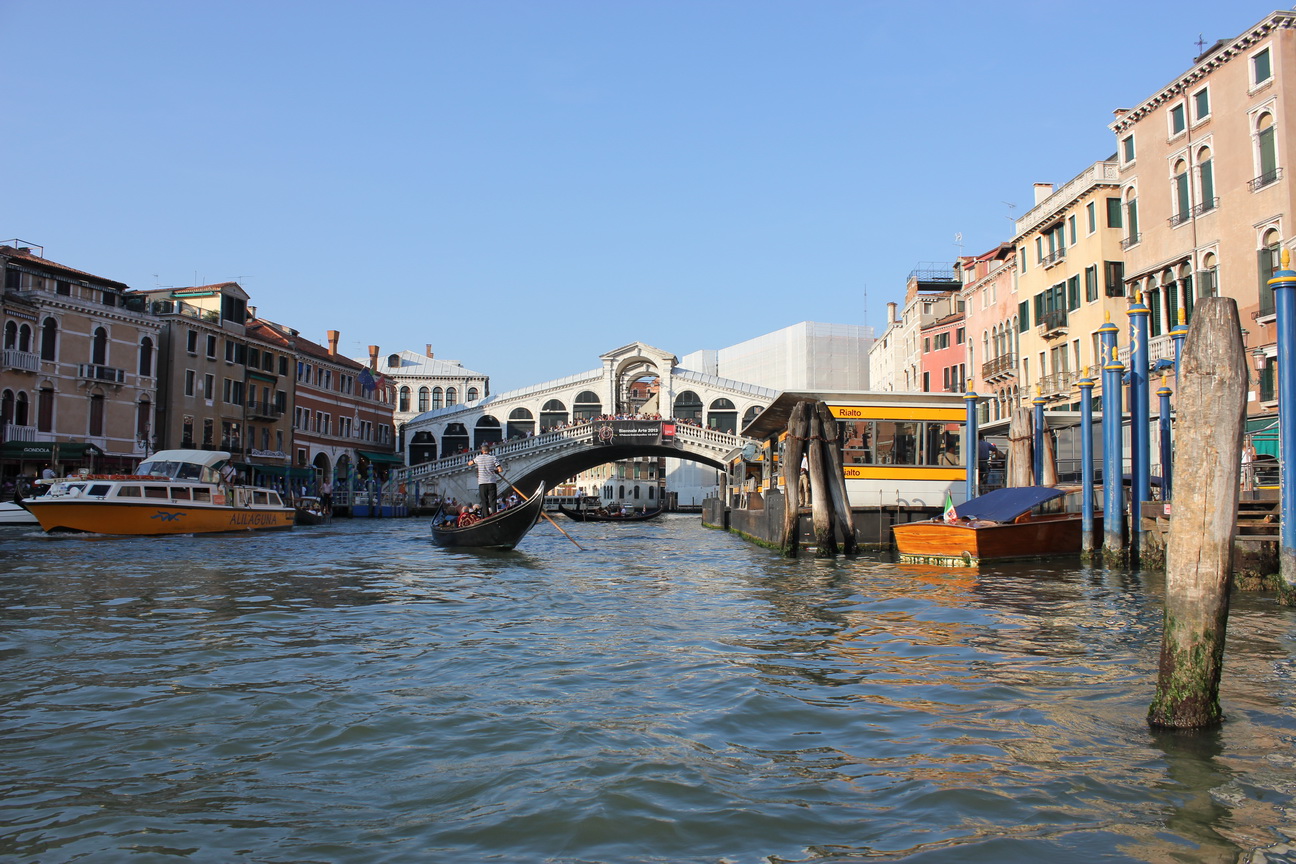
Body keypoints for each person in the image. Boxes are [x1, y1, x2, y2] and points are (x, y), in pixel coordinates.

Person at [468, 443, 502, 514]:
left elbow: (469, 463)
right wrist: (495, 471)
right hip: (491, 482)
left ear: (482, 451)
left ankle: (486, 516)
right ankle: (494, 514)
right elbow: (500, 469)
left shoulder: (478, 458)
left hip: (482, 482)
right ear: (489, 450)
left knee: (484, 501)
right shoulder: (493, 458)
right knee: (493, 500)